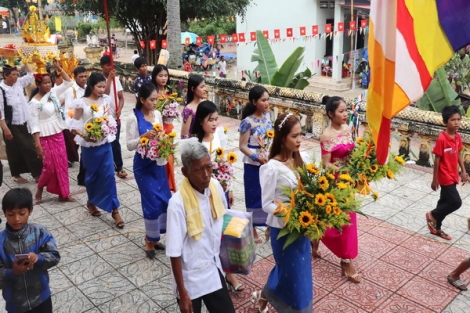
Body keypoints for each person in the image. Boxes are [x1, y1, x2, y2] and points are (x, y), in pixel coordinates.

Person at [166, 140, 235, 313]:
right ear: (185, 172)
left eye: (208, 167)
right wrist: (182, 294)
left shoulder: (215, 187)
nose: (206, 175)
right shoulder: (177, 204)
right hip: (190, 278)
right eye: (198, 170)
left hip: (212, 268)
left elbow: (222, 220)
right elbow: (174, 253)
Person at [256, 113, 313, 313]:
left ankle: (264, 295)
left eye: (300, 135)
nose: (299, 140)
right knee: (291, 274)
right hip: (283, 230)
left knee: (300, 275)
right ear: (282, 138)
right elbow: (267, 203)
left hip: (302, 229)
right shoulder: (271, 168)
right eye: (294, 136)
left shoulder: (303, 159)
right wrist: (290, 214)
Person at [192, 100, 244, 292]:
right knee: (207, 232)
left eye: (216, 119)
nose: (214, 124)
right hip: (203, 193)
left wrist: (229, 188)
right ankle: (211, 271)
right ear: (200, 121)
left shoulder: (219, 135)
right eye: (210, 120)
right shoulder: (195, 143)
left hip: (220, 190)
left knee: (222, 231)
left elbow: (226, 165)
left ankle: (229, 273)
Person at [69, 72, 125, 229]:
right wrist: (84, 135)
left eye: (103, 86)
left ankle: (115, 210)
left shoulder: (106, 100)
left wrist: (108, 128)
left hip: (105, 145)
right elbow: (73, 125)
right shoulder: (81, 103)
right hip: (90, 147)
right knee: (92, 176)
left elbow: (109, 120)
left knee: (108, 176)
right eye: (99, 87)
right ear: (91, 86)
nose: (102, 89)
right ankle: (91, 201)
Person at [318, 96, 360, 283]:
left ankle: (345, 256)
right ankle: (345, 260)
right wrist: (342, 171)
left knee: (349, 219)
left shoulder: (347, 128)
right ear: (330, 114)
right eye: (341, 111)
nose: (345, 114)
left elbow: (351, 152)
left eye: (346, 110)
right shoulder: (326, 135)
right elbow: (326, 164)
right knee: (338, 220)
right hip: (335, 182)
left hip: (348, 180)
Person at [126, 83, 170, 258]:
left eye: (156, 99)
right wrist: (143, 137)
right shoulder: (133, 118)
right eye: (151, 100)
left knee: (164, 200)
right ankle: (149, 239)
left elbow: (160, 134)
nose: (155, 103)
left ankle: (156, 236)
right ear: (142, 100)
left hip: (158, 163)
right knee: (151, 204)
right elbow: (129, 145)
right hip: (143, 167)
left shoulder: (157, 114)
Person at [0, 188, 60, 313]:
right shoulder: (1, 241)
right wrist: (13, 272)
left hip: (42, 298)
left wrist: (39, 258)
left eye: (22, 213)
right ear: (4, 213)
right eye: (11, 214)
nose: (16, 219)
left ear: (30, 211)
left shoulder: (40, 232)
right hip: (15, 303)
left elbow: (54, 256)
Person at [29, 61, 75, 203]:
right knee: (49, 167)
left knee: (61, 165)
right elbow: (34, 125)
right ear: (38, 85)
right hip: (44, 137)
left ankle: (64, 194)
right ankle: (40, 188)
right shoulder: (34, 103)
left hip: (58, 133)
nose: (48, 85)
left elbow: (69, 82)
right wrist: (38, 146)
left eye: (49, 82)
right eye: (45, 83)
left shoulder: (53, 93)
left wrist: (59, 68)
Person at [426, 105, 467, 240]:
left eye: (458, 119)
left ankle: (437, 228)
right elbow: (437, 160)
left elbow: (459, 154)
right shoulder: (442, 139)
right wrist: (435, 179)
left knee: (444, 202)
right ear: (445, 122)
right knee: (455, 202)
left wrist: (463, 172)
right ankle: (432, 215)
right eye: (452, 120)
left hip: (453, 175)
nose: (456, 123)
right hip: (444, 176)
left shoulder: (458, 137)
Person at [238, 86, 272, 243]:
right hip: (253, 163)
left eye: (268, 99)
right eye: (263, 100)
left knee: (269, 193)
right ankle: (252, 228)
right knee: (253, 194)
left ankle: (269, 225)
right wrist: (256, 157)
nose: (267, 103)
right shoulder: (248, 122)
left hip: (268, 160)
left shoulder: (268, 116)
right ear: (254, 101)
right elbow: (242, 146)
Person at [0, 63, 43, 184]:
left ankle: (37, 173)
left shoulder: (18, 83)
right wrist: (5, 129)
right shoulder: (1, 89)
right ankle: (16, 174)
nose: (16, 77)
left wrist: (25, 61)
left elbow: (30, 74)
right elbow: (0, 112)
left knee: (30, 147)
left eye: (16, 74)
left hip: (24, 121)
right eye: (13, 75)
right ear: (5, 76)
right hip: (11, 124)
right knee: (14, 149)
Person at [100, 55, 127, 179]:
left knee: (115, 142)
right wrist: (109, 79)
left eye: (111, 65)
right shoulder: (99, 80)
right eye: (107, 65)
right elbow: (104, 94)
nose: (110, 67)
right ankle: (109, 166)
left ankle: (119, 167)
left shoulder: (116, 80)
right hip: (104, 117)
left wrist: (119, 108)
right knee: (106, 143)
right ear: (102, 67)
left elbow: (121, 97)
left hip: (115, 116)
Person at [152, 64, 176, 192]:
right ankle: (160, 187)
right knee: (160, 159)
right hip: (158, 129)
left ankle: (168, 186)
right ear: (155, 77)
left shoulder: (169, 92)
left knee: (169, 160)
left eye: (165, 75)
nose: (163, 78)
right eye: (160, 75)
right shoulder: (153, 93)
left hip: (169, 130)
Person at [64, 66, 88, 172]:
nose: (83, 79)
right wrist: (71, 126)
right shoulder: (71, 90)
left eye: (85, 76)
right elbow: (69, 109)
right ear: (75, 77)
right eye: (80, 76)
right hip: (76, 122)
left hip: (86, 121)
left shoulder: (88, 88)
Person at [181, 74, 205, 139]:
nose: (204, 89)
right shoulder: (189, 109)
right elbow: (184, 135)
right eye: (202, 87)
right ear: (193, 89)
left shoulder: (205, 103)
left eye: (204, 87)